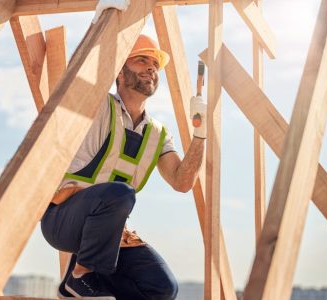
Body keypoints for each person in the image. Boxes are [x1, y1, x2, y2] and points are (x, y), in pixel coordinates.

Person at [41, 34, 207, 300]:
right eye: (141, 60)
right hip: (64, 220)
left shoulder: (158, 133)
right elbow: (77, 77)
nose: (151, 67)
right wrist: (106, 22)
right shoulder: (96, 105)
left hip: (108, 235)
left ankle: (89, 284)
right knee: (121, 193)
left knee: (162, 289)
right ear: (119, 70)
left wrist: (201, 132)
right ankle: (80, 276)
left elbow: (182, 182)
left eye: (155, 63)